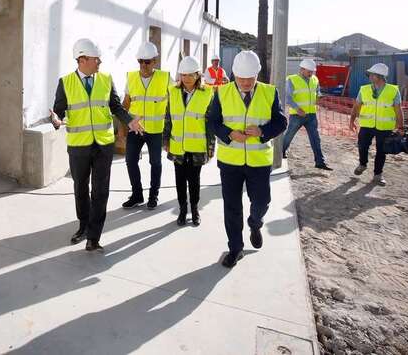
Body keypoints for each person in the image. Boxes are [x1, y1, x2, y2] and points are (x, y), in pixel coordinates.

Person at [51, 38, 143, 252]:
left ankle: (94, 237)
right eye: (96, 59)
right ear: (82, 59)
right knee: (80, 188)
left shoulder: (106, 79)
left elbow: (116, 106)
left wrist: (129, 120)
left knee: (101, 191)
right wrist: (55, 120)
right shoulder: (66, 82)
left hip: (103, 145)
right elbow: (58, 111)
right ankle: (83, 225)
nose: (99, 62)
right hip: (79, 146)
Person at [208, 50, 287, 268]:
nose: (245, 82)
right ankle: (235, 249)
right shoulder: (222, 92)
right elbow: (212, 121)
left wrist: (262, 131)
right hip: (230, 162)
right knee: (232, 207)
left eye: (249, 78)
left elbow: (281, 122)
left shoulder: (269, 92)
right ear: (234, 74)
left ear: (257, 75)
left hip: (259, 161)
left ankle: (255, 222)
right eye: (241, 78)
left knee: (262, 201)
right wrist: (229, 134)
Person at [163, 56, 215, 226]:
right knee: (179, 180)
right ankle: (182, 210)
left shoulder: (207, 93)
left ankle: (194, 209)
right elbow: (168, 118)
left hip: (197, 146)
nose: (186, 79)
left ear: (197, 75)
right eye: (183, 75)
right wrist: (165, 139)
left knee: (194, 180)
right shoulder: (173, 91)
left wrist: (210, 146)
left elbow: (210, 123)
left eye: (190, 75)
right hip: (177, 145)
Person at [121, 41, 170, 209]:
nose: (143, 65)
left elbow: (176, 102)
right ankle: (137, 195)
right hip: (135, 130)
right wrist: (123, 128)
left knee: (155, 163)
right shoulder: (131, 77)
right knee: (130, 161)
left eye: (147, 61)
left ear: (155, 61)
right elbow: (126, 103)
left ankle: (153, 196)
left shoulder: (165, 78)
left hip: (155, 130)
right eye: (140, 61)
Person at [348, 63, 404, 186]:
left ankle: (378, 175)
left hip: (384, 127)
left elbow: (398, 110)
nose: (369, 76)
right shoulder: (364, 89)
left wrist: (401, 127)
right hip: (367, 125)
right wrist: (351, 121)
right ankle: (362, 164)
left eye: (372, 74)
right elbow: (356, 106)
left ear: (379, 76)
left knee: (381, 151)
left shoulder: (393, 90)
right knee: (362, 146)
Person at [282, 58, 332, 170]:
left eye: (312, 71)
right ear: (302, 69)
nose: (311, 73)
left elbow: (317, 92)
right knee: (289, 135)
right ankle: (281, 151)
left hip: (311, 115)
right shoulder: (291, 79)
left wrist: (319, 96)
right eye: (309, 71)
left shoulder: (315, 79)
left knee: (315, 138)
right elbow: (288, 97)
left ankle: (320, 162)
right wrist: (297, 108)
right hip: (297, 115)